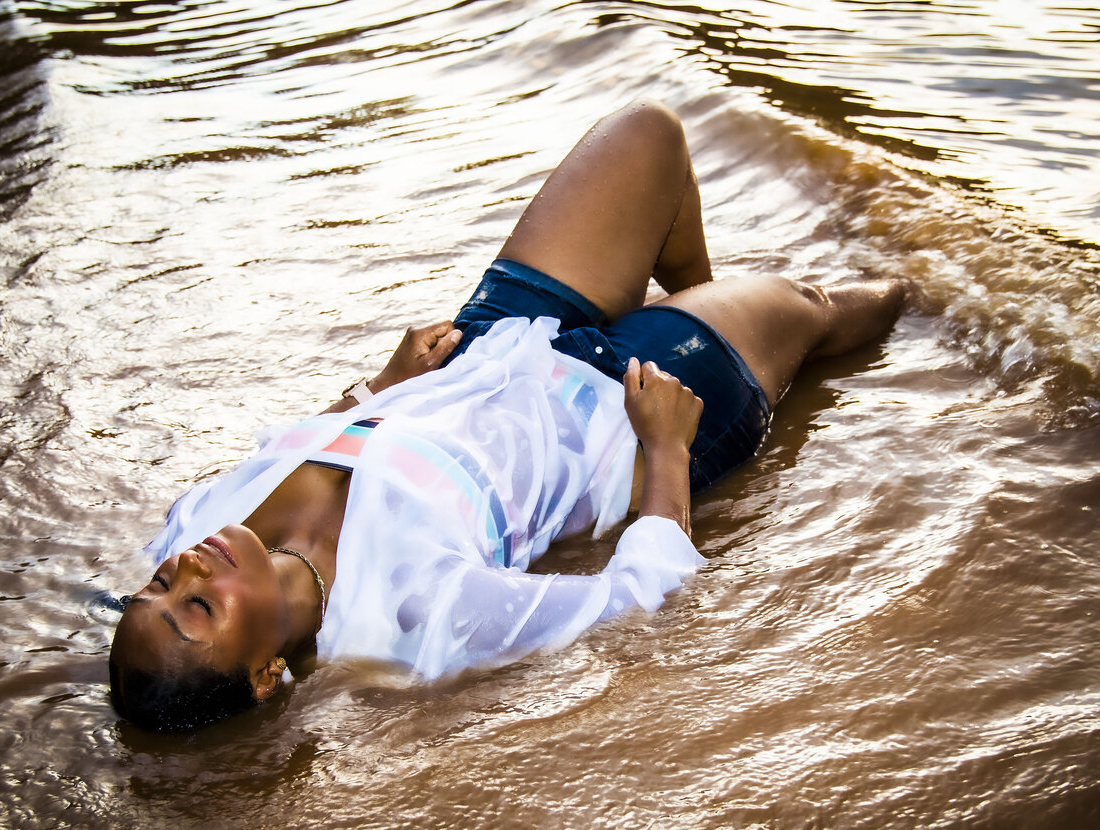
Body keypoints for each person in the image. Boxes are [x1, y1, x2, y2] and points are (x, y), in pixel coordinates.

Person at [110, 101, 907, 732]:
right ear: (265, 674)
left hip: (491, 345)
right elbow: (640, 599)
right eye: (199, 607)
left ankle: (699, 302)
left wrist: (377, 387)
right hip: (618, 416)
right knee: (815, 306)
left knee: (649, 136)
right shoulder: (417, 619)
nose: (188, 570)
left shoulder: (199, 521)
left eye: (160, 583)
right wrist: (667, 447)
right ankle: (927, 272)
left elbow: (295, 443)